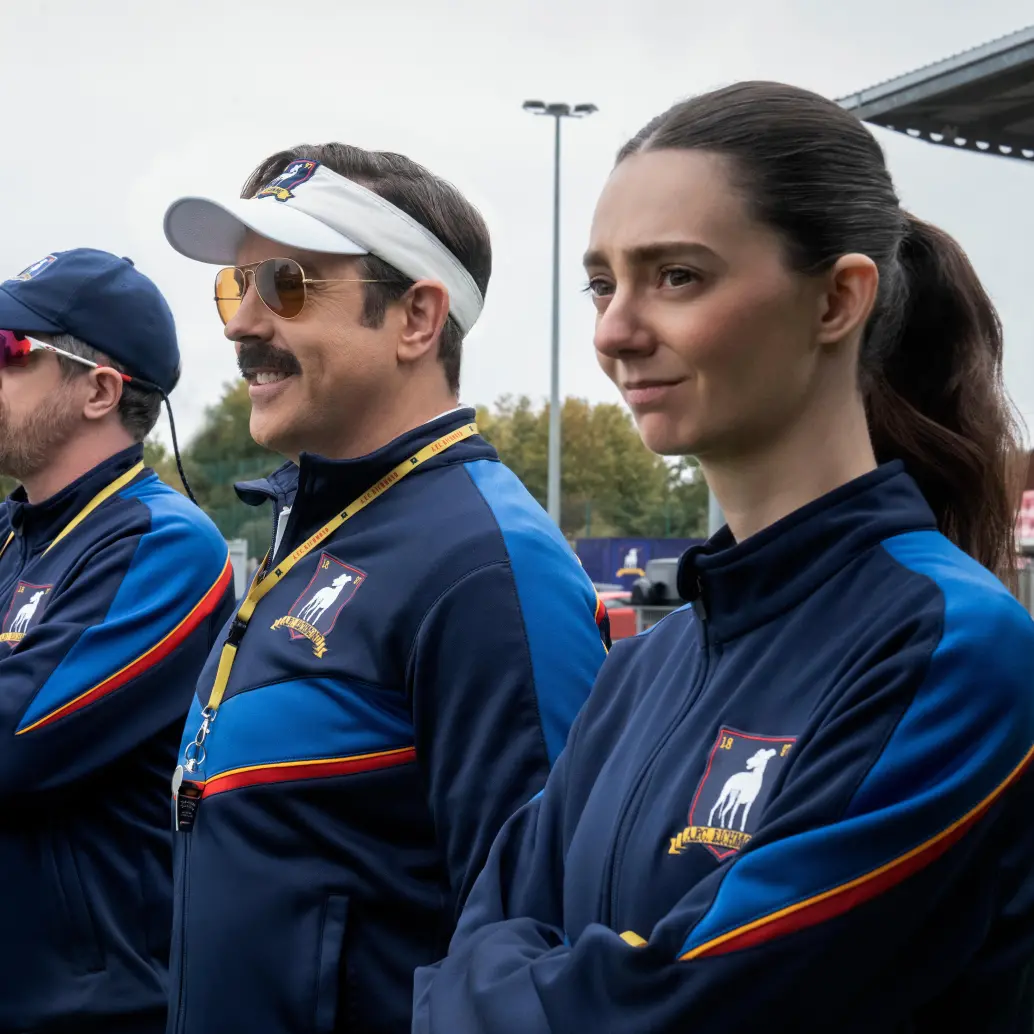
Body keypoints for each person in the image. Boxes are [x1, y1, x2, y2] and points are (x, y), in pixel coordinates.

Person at [413, 81, 1034, 1034]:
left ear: (838, 298)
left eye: (676, 277)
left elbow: (686, 1011)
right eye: (602, 282)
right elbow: (467, 948)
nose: (614, 331)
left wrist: (519, 985)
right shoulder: (646, 669)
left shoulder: (955, 648)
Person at [161, 144, 610, 1034]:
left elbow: (540, 953)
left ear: (415, 316)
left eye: (285, 284)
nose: (239, 323)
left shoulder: (489, 566)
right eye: (234, 286)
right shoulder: (327, 520)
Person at [0, 249, 236, 1033]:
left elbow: (15, 738)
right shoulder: (13, 533)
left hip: (86, 1007)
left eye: (10, 351)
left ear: (99, 389)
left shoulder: (164, 543)